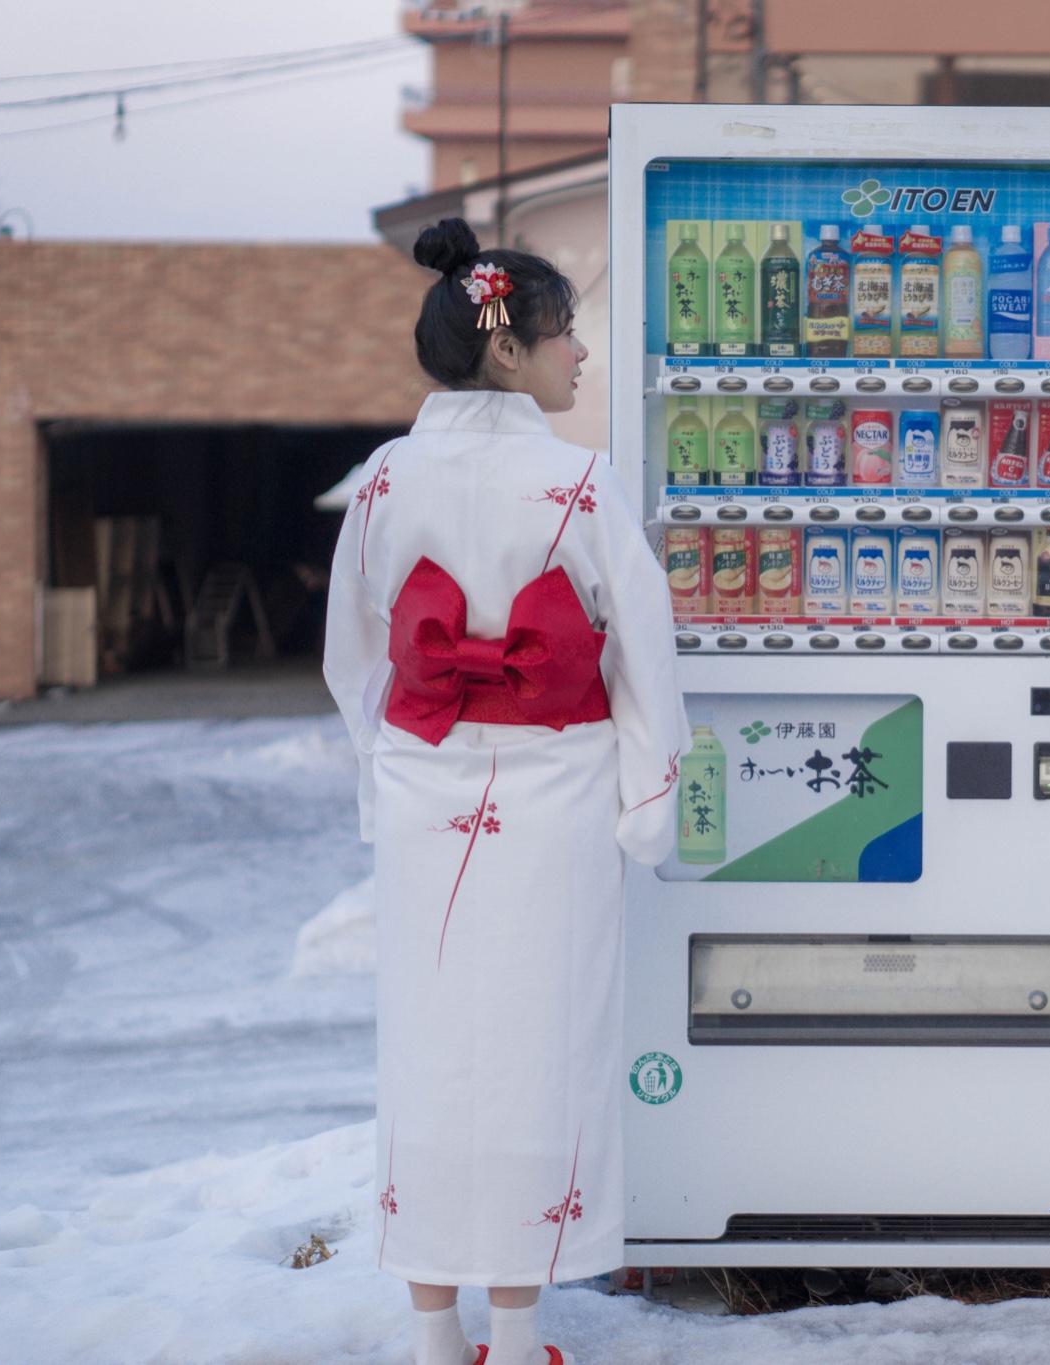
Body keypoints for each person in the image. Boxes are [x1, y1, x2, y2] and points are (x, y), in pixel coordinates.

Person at [324, 217, 685, 1365]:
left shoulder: (384, 479)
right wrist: (649, 794)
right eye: (562, 331)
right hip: (557, 787)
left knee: (428, 1050)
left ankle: (436, 1335)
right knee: (545, 1044)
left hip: (431, 784)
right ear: (506, 350)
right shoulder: (576, 480)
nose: (577, 352)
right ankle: (522, 1333)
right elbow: (643, 649)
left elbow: (353, 655)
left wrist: (384, 779)